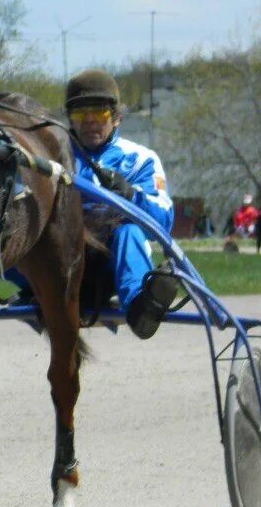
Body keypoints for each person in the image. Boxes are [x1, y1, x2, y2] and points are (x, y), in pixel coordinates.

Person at [65, 69, 177, 339]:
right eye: (81, 113)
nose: (90, 121)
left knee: (129, 232)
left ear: (116, 118)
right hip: (60, 265)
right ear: (69, 119)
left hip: (108, 269)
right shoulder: (53, 156)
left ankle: (141, 307)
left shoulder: (140, 159)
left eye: (99, 112)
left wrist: (131, 196)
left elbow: (162, 225)